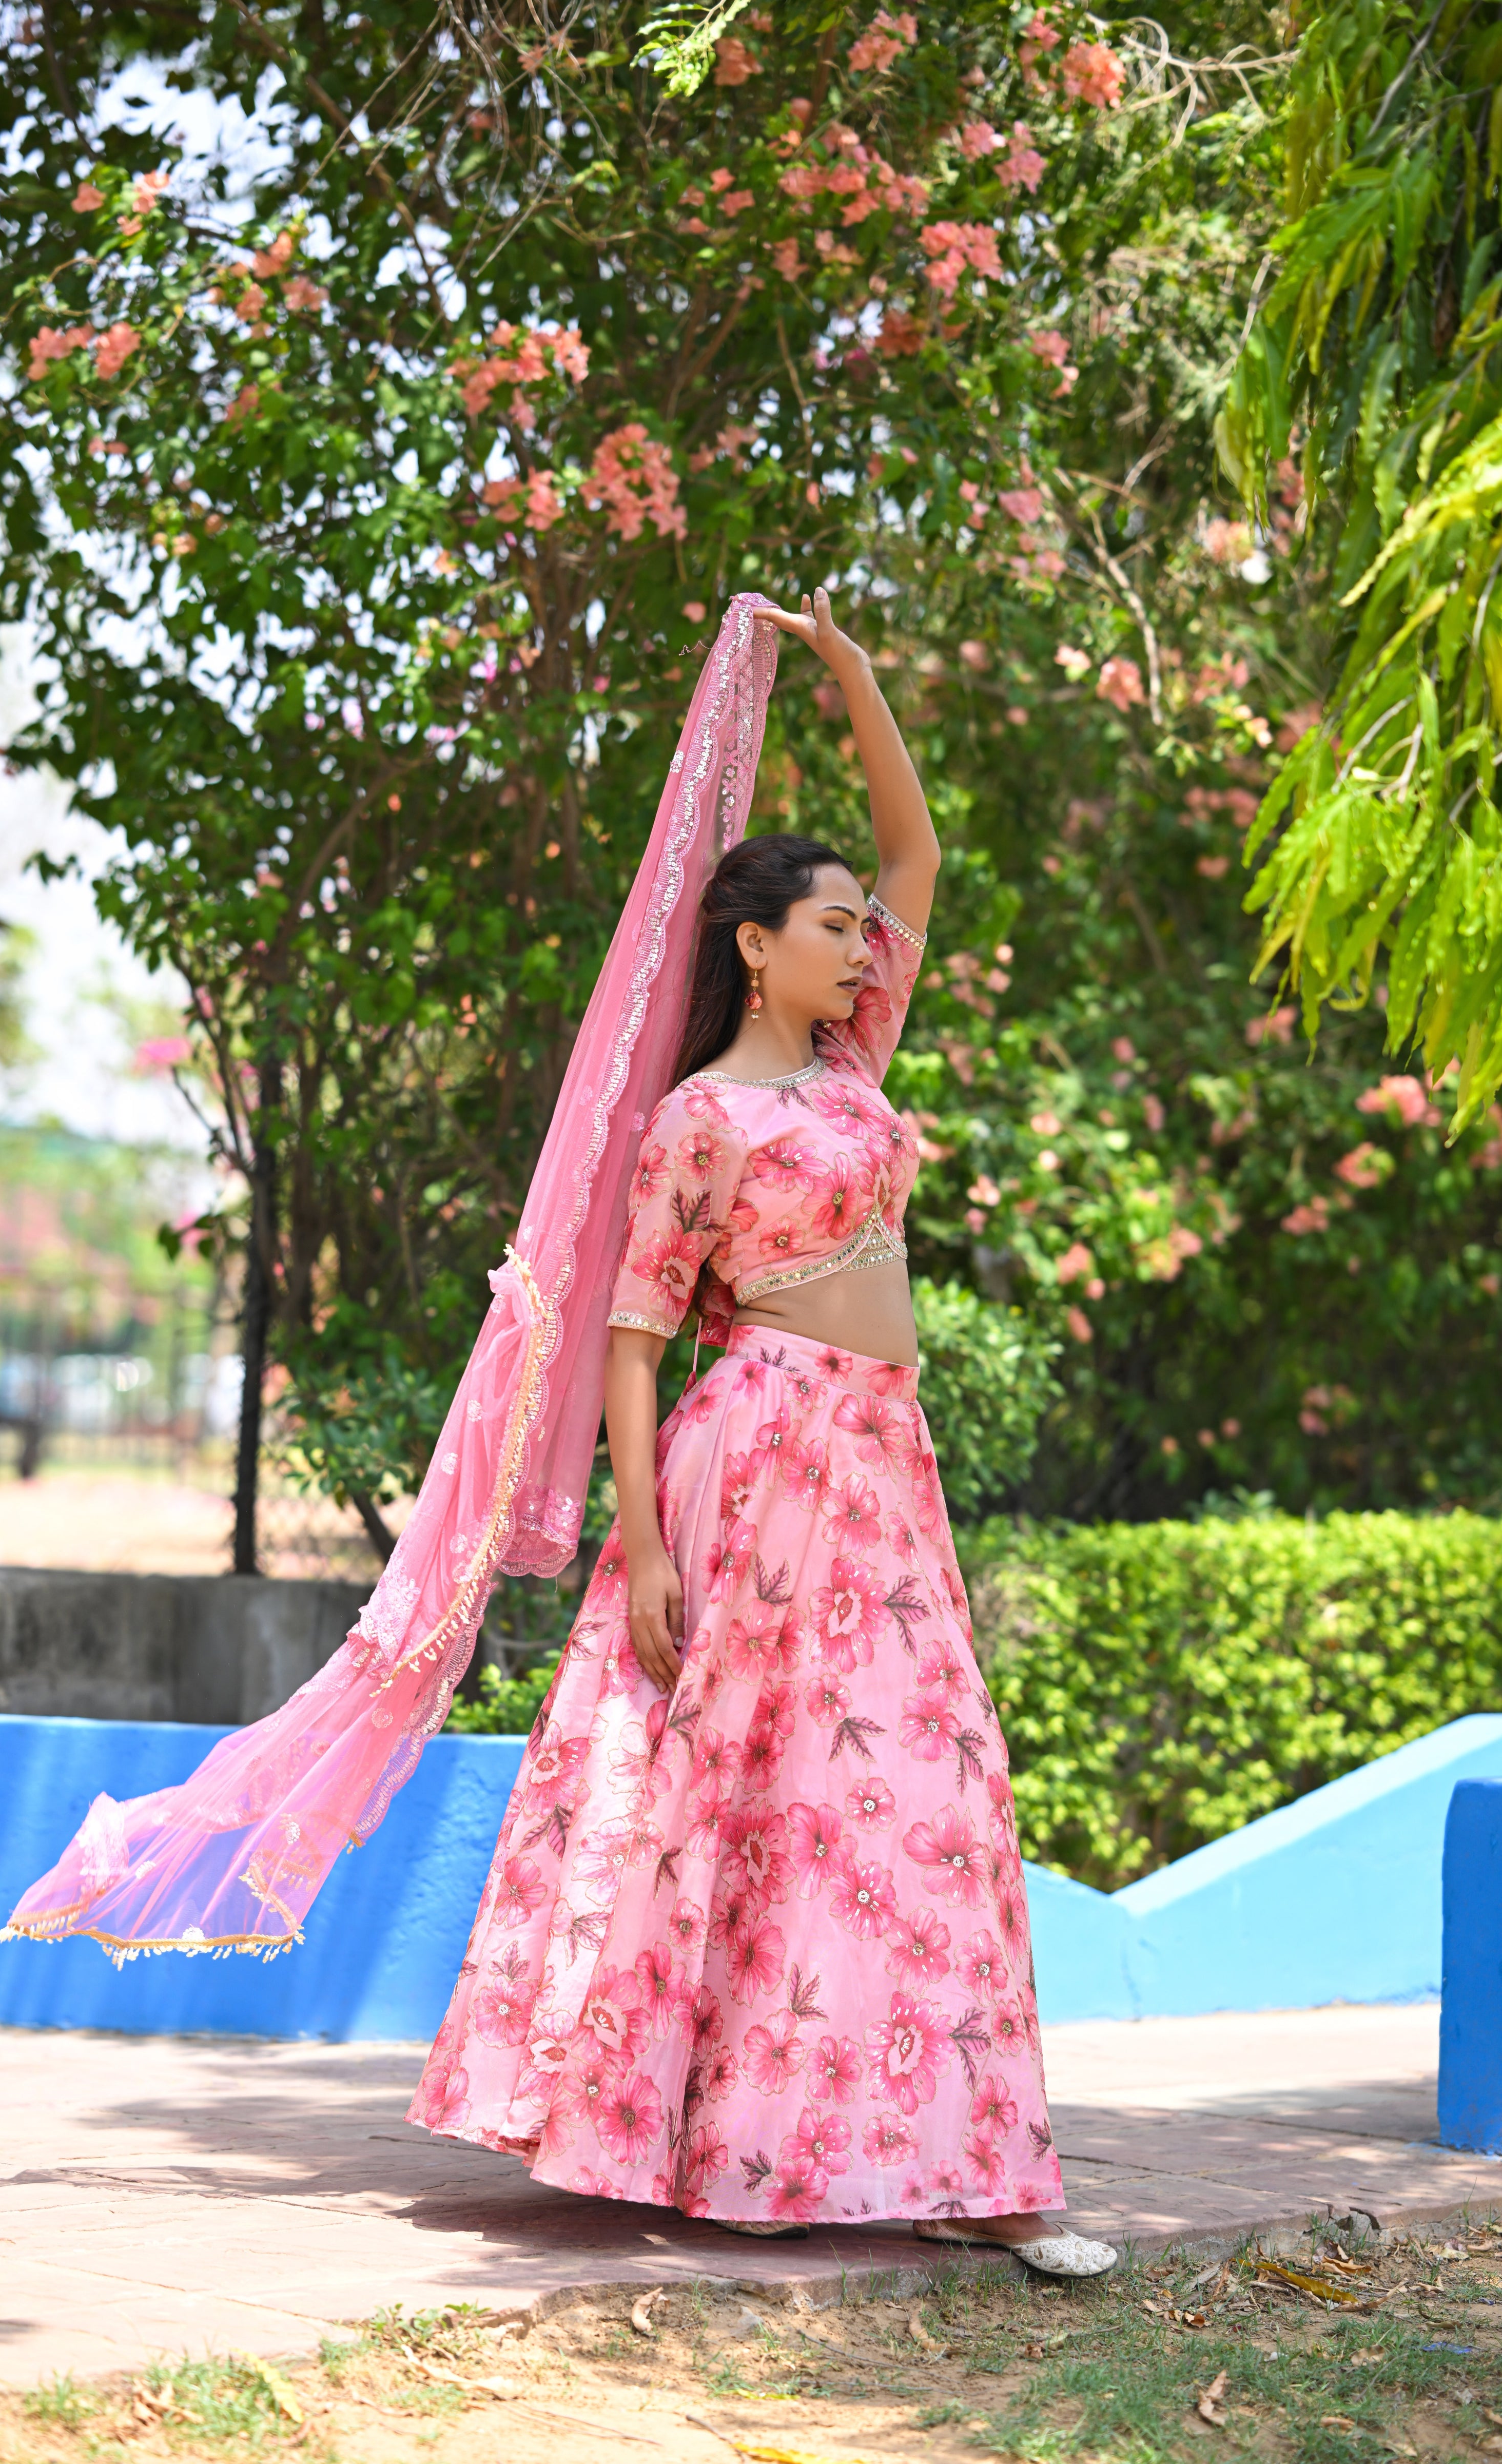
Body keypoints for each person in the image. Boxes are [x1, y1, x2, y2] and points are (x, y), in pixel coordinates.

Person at [408, 590, 1117, 2278]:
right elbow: (639, 1338)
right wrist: (646, 1543)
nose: (868, 945)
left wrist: (859, 677)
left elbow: (922, 852)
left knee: (932, 1796)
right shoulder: (699, 1118)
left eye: (869, 930)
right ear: (754, 943)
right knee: (754, 1802)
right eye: (833, 924)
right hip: (760, 1463)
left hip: (884, 1464)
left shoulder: (858, 1070)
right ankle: (728, 2149)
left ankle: (987, 2173)